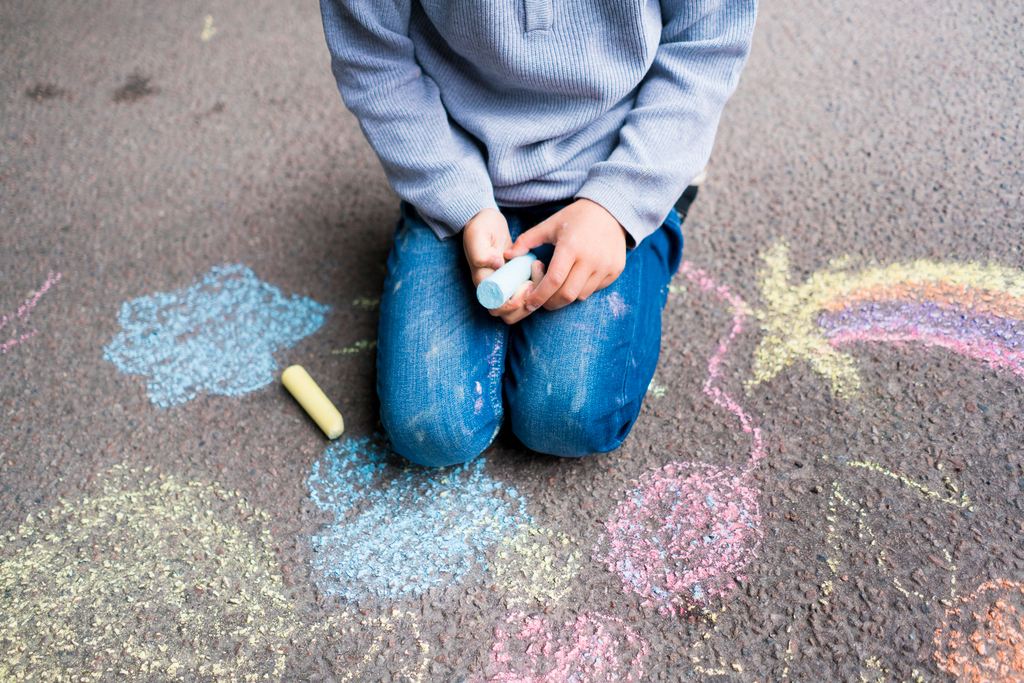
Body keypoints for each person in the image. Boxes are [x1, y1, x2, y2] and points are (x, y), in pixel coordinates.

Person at [319, 0, 757, 467]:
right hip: (463, 158)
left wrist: (621, 201)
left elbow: (708, 39)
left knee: (565, 418)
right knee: (432, 432)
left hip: (614, 160)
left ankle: (653, 210)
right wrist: (457, 198)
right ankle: (440, 195)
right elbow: (371, 57)